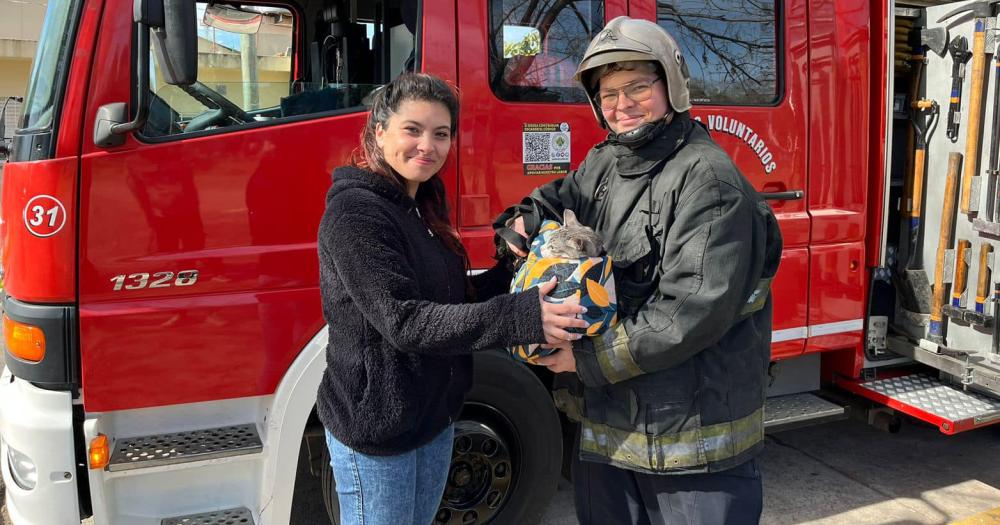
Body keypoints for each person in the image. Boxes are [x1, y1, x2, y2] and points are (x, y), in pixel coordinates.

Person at [495, 17, 783, 525]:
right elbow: (559, 198)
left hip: (690, 447)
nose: (621, 104)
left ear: (669, 86)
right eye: (608, 93)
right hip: (612, 427)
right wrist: (523, 219)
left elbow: (688, 313)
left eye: (636, 87)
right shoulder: (606, 162)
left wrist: (580, 360)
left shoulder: (708, 181)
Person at [316, 73, 587, 525]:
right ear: (379, 131)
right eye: (413, 130)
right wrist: (521, 317)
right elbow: (405, 322)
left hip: (432, 418)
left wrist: (509, 270)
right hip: (379, 431)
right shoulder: (354, 214)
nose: (428, 145)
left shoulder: (420, 204)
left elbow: (452, 301)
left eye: (441, 134)